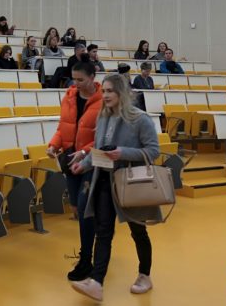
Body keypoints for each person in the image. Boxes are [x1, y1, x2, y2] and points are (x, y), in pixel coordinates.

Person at [70, 74, 160, 301]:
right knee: (103, 232)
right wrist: (84, 164)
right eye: (104, 91)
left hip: (130, 184)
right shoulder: (103, 117)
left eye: (110, 91)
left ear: (122, 92)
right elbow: (99, 149)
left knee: (138, 231)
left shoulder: (140, 119)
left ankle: (144, 275)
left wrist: (123, 153)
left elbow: (153, 151)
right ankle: (96, 282)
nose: (105, 95)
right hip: (104, 182)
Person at [46, 61, 102, 282]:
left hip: (91, 161)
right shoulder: (69, 97)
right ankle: (93, 248)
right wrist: (54, 145)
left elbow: (104, 136)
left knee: (86, 208)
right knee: (78, 209)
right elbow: (63, 127)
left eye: (81, 79)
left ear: (92, 77)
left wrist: (85, 151)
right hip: (70, 159)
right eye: (74, 79)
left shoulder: (104, 100)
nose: (76, 83)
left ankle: (86, 259)